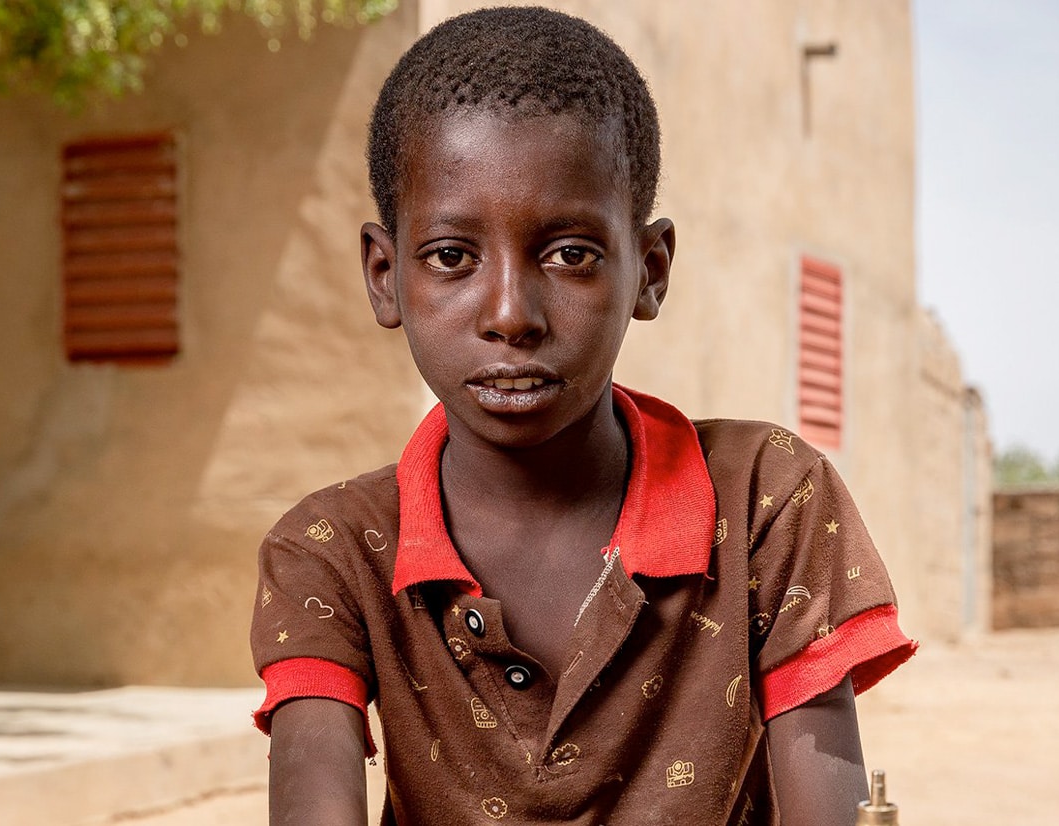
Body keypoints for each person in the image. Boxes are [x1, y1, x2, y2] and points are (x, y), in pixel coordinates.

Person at [250, 7, 916, 825]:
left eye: (570, 254)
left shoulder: (766, 501)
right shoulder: (333, 551)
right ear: (385, 276)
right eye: (452, 257)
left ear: (650, 269)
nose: (510, 314)